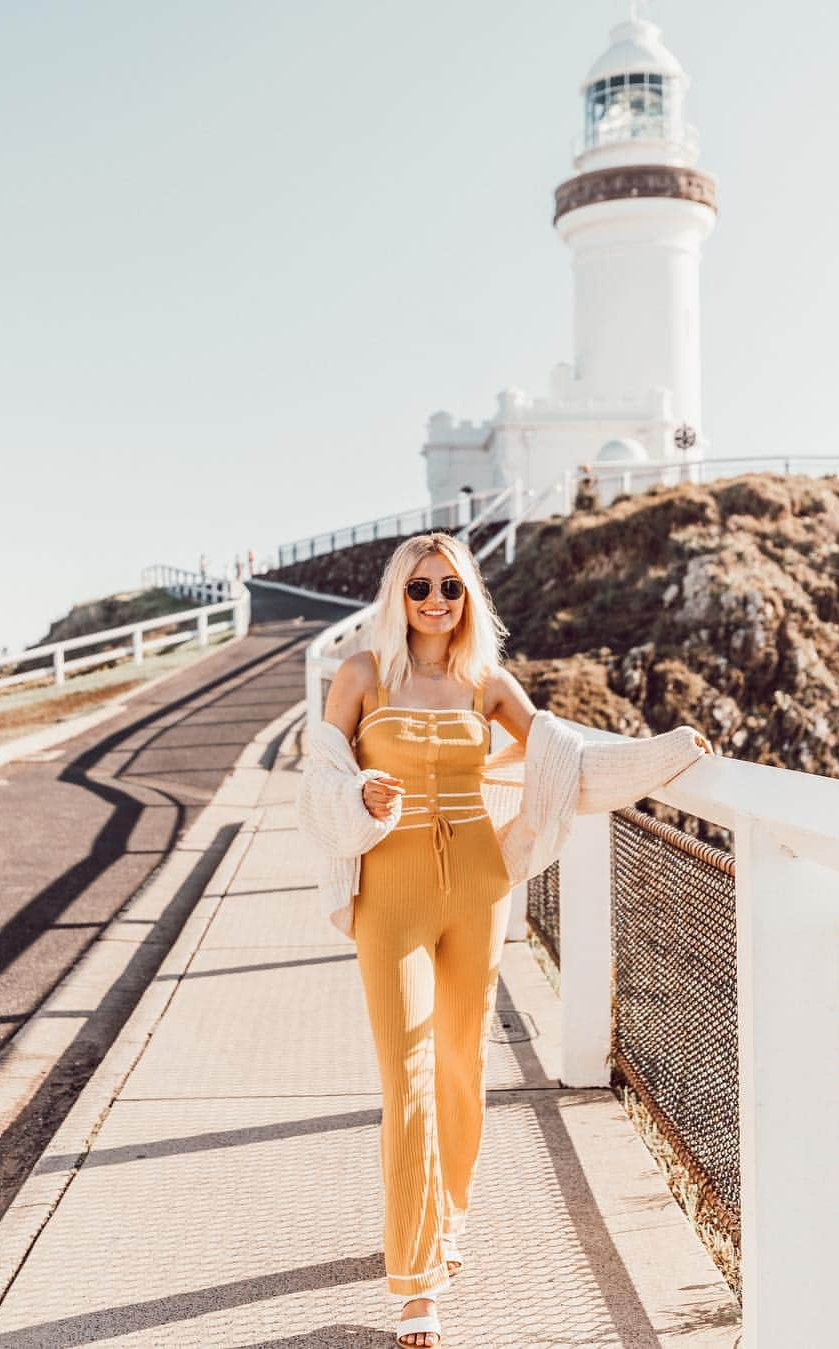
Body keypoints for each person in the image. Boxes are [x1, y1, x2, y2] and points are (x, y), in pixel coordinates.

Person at [298, 531, 712, 1347]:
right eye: (420, 588)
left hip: (478, 886)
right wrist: (360, 789)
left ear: (468, 597)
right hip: (392, 889)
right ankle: (414, 1282)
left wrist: (661, 757)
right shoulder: (359, 675)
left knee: (460, 1061)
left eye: (450, 588)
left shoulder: (485, 681)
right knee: (406, 1073)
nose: (435, 603)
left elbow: (562, 755)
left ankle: (445, 1215)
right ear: (397, 595)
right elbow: (318, 774)